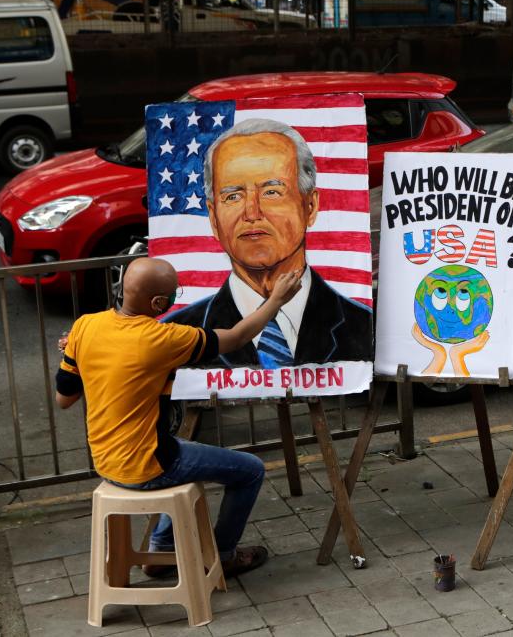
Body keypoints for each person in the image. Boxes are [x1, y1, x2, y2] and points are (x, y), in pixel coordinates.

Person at [56, 257, 303, 577]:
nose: (175, 298)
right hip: (147, 464)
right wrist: (276, 299)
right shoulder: (164, 339)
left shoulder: (85, 326)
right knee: (251, 470)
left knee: (191, 453)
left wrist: (81, 357)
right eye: (173, 294)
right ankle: (225, 555)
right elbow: (238, 337)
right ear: (159, 302)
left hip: (105, 461)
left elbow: (65, 398)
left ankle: (162, 549)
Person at [168, 118, 373, 368]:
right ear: (213, 217)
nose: (252, 213)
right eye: (233, 196)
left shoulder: (362, 326)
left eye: (271, 192)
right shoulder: (179, 333)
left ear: (310, 206)